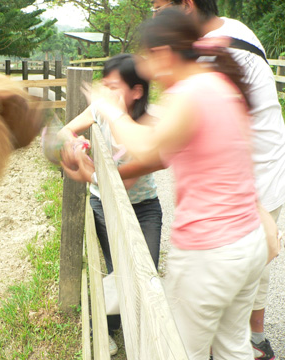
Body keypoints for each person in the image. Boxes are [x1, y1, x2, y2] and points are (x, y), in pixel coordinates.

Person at [89, 8, 269, 359]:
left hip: (209, 253)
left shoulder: (190, 93)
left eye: (149, 59)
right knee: (233, 348)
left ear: (165, 54)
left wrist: (110, 109)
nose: (149, 71)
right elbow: (165, 150)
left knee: (181, 352)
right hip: (248, 243)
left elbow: (145, 146)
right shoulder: (220, 83)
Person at [144, 2, 285, 359]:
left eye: (160, 8)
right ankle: (253, 340)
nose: (156, 16)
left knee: (187, 341)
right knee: (236, 316)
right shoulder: (230, 36)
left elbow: (164, 144)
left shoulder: (211, 55)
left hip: (251, 182)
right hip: (255, 180)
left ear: (187, 6)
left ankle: (255, 339)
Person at [57, 53, 163, 356]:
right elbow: (67, 130)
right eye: (104, 85)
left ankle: (139, 330)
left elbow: (119, 183)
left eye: (113, 86)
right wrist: (74, 145)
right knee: (119, 271)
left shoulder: (149, 127)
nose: (104, 93)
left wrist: (84, 170)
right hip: (104, 206)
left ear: (137, 91)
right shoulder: (101, 110)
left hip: (143, 208)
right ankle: (104, 324)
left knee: (146, 272)